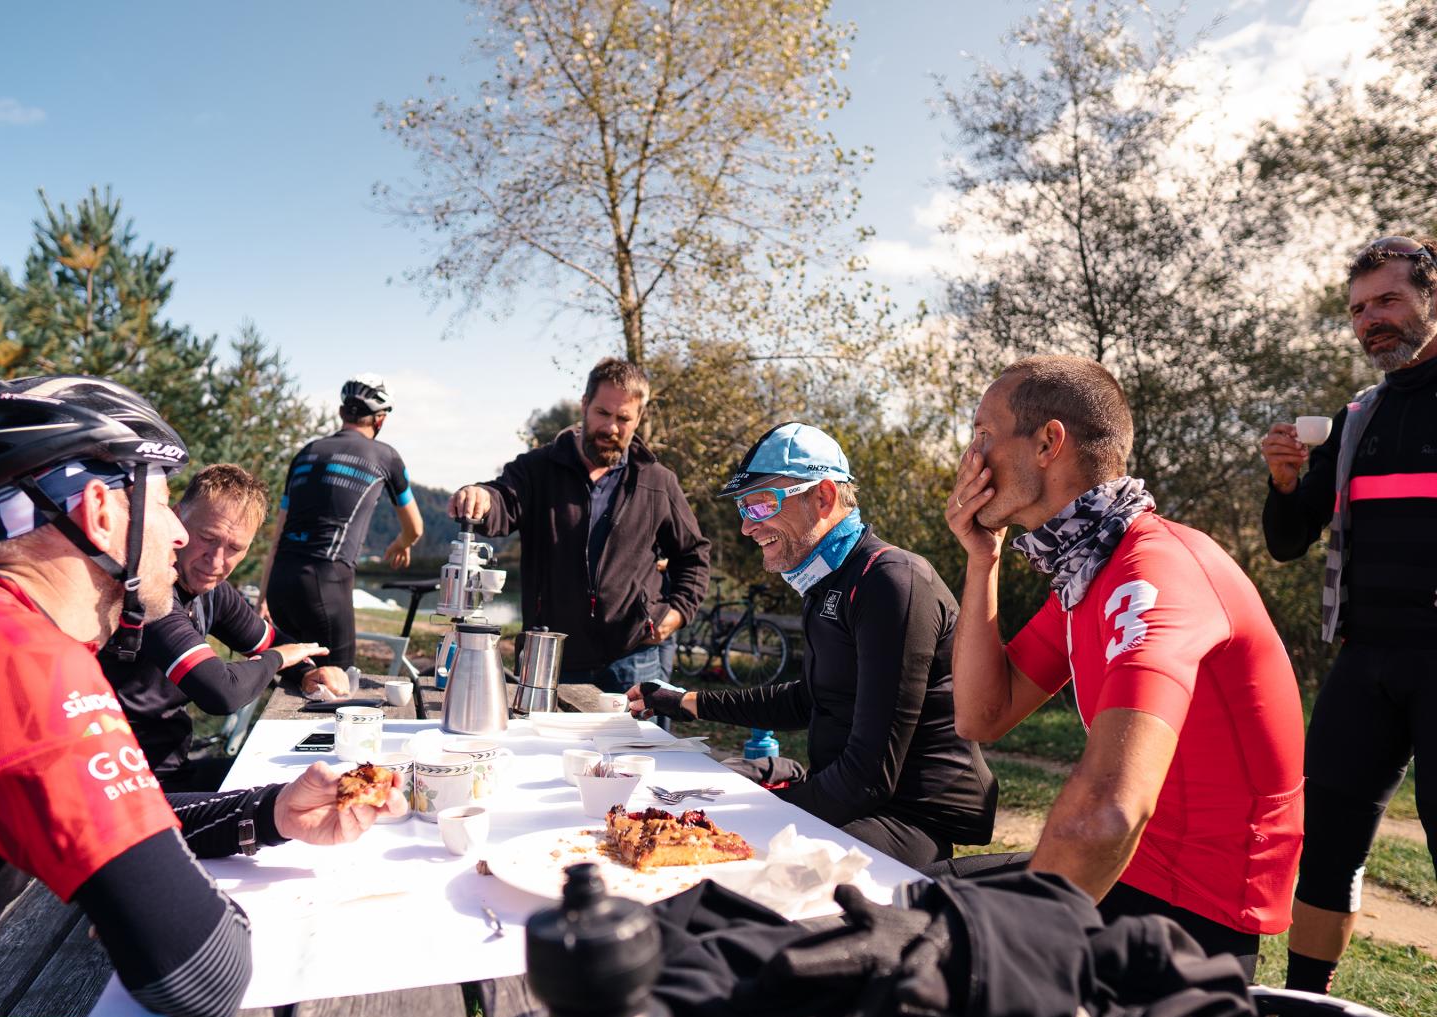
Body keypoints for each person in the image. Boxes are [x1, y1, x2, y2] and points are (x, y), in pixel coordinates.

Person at [0, 376, 403, 1017]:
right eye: (163, 502)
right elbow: (204, 975)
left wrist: (273, 811)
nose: (175, 533)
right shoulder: (17, 663)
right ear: (102, 511)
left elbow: (123, 821)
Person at [947, 355, 1304, 978]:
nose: (970, 460)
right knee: (904, 900)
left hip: (1188, 914)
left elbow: (1108, 813)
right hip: (1128, 874)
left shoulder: (1151, 573)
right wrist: (983, 560)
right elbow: (983, 714)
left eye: (983, 434)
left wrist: (1016, 962)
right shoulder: (1091, 568)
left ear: (1048, 443)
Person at [628, 424, 997, 868]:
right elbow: (812, 697)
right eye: (744, 508)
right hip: (854, 801)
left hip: (905, 821)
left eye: (761, 503)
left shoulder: (890, 582)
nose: (747, 526)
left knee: (732, 859)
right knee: (690, 799)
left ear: (822, 498)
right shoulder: (827, 582)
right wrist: (684, 701)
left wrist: (757, 821)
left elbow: (869, 777)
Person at [1259, 234, 1437, 995]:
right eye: (1360, 309)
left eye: (1388, 300)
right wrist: (1283, 480)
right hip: (1366, 659)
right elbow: (1288, 540)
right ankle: (1305, 1013)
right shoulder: (1357, 416)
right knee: (1326, 842)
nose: (1372, 321)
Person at [448, 359, 710, 690]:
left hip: (633, 660)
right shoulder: (536, 469)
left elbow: (694, 553)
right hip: (550, 655)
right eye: (602, 413)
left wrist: (679, 612)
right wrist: (482, 497)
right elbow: (503, 501)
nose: (611, 428)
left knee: (640, 745)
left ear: (638, 419)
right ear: (585, 405)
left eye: (623, 418)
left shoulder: (658, 482)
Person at [103, 463, 351, 790]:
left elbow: (267, 639)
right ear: (176, 518)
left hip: (171, 769)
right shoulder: (148, 589)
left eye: (235, 548)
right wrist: (279, 659)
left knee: (321, 784)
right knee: (299, 794)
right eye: (207, 538)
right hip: (122, 784)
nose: (217, 562)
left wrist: (306, 671)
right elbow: (221, 691)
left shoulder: (212, 590)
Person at [258, 373, 423, 669]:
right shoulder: (386, 457)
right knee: (336, 686)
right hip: (326, 582)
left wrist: (263, 597)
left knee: (296, 684)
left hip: (280, 582)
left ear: (341, 412)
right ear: (380, 419)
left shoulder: (306, 453)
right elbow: (415, 527)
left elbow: (278, 535)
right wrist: (403, 542)